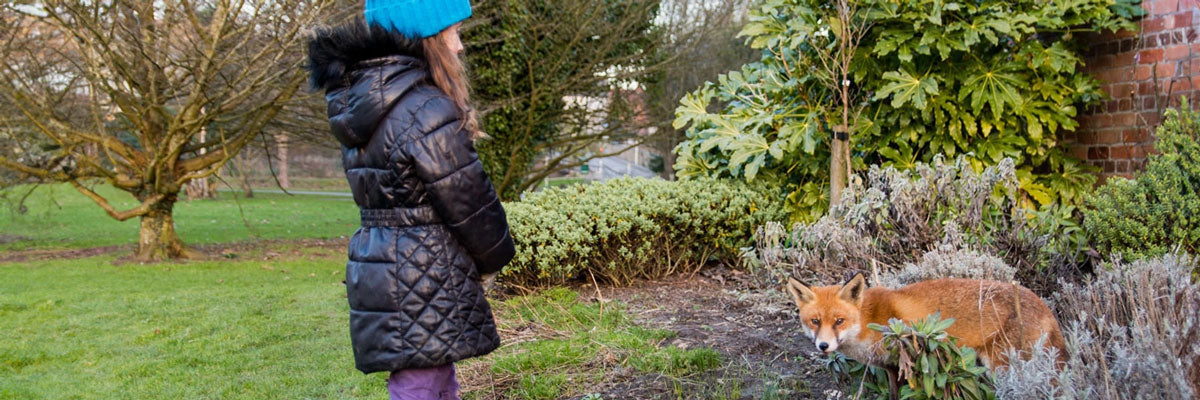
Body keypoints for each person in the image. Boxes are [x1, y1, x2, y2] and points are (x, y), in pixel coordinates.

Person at [306, 1, 514, 398]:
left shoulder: (361, 101)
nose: (459, 46)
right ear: (427, 38)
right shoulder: (424, 109)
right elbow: (467, 198)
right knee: (423, 383)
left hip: (381, 262)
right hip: (424, 266)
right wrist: (497, 254)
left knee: (429, 375)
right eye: (452, 32)